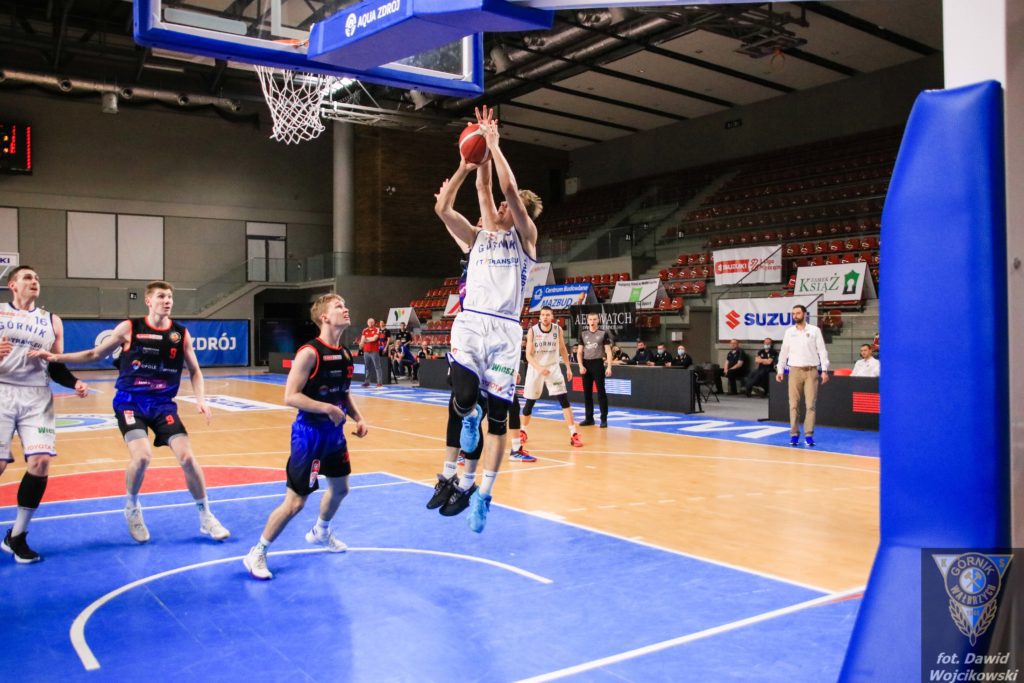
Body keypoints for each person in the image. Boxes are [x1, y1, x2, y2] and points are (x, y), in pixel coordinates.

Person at [37, 280, 229, 543]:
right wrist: (56, 358)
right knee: (142, 457)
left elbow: (195, 371)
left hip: (162, 404)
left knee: (187, 458)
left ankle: (206, 516)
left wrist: (201, 400)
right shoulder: (130, 328)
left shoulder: (180, 334)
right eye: (161, 296)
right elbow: (94, 354)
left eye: (170, 296)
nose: (167, 300)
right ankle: (132, 507)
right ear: (148, 301)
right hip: (130, 402)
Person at [432, 105, 541, 532]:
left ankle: (483, 492)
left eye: (504, 206)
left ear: (516, 213)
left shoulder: (525, 239)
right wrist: (472, 157)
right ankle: (459, 450)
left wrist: (494, 145)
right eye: (495, 204)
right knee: (462, 398)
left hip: (506, 331)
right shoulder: (478, 237)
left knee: (498, 422)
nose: (497, 205)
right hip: (473, 322)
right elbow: (482, 185)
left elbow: (508, 188)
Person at [243, 294, 368, 580]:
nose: (346, 309)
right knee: (296, 503)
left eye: (345, 305)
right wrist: (326, 408)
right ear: (324, 317)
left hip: (334, 436)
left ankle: (321, 531)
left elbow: (343, 392)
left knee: (340, 489)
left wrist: (358, 417)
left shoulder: (345, 353)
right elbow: (290, 396)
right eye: (338, 306)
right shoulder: (309, 353)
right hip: (309, 436)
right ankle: (257, 552)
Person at [0, 266, 88, 563]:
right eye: (27, 277)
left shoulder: (52, 321)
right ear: (12, 284)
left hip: (37, 396)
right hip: (1, 391)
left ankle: (17, 536)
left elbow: (56, 364)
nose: (34, 281)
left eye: (37, 278)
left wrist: (74, 382)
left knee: (40, 462)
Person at [521, 306, 582, 448]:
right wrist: (539, 368)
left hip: (553, 367)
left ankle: (573, 434)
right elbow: (528, 355)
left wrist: (568, 367)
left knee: (564, 400)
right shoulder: (532, 331)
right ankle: (523, 431)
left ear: (552, 316)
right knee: (530, 402)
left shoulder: (557, 329)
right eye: (543, 315)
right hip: (536, 367)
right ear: (540, 317)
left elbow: (563, 349)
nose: (545, 317)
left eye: (548, 315)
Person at [776, 304, 830, 447]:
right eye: (793, 313)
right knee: (793, 405)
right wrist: (780, 370)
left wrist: (824, 370)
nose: (795, 316)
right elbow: (784, 352)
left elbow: (822, 351)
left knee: (810, 405)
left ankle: (809, 434)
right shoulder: (789, 332)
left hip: (811, 371)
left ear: (805, 314)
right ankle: (794, 434)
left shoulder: (814, 330)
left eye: (798, 313)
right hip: (794, 371)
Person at [576, 312, 613, 427]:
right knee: (587, 394)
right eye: (590, 319)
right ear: (587, 321)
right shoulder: (583, 334)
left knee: (601, 393)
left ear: (598, 320)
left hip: (598, 364)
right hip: (586, 364)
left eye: (595, 319)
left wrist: (609, 367)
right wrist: (581, 366)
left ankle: (604, 419)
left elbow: (608, 351)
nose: (592, 321)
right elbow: (579, 352)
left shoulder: (603, 333)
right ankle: (589, 419)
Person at [358, 318, 382, 388]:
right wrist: (361, 344)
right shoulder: (365, 330)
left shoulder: (377, 329)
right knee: (367, 367)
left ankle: (379, 383)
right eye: (369, 322)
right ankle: (367, 382)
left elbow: (374, 338)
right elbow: (362, 339)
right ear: (367, 323)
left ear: (374, 323)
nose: (370, 323)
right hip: (366, 351)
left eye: (372, 322)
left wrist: (365, 340)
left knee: (377, 367)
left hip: (374, 351)